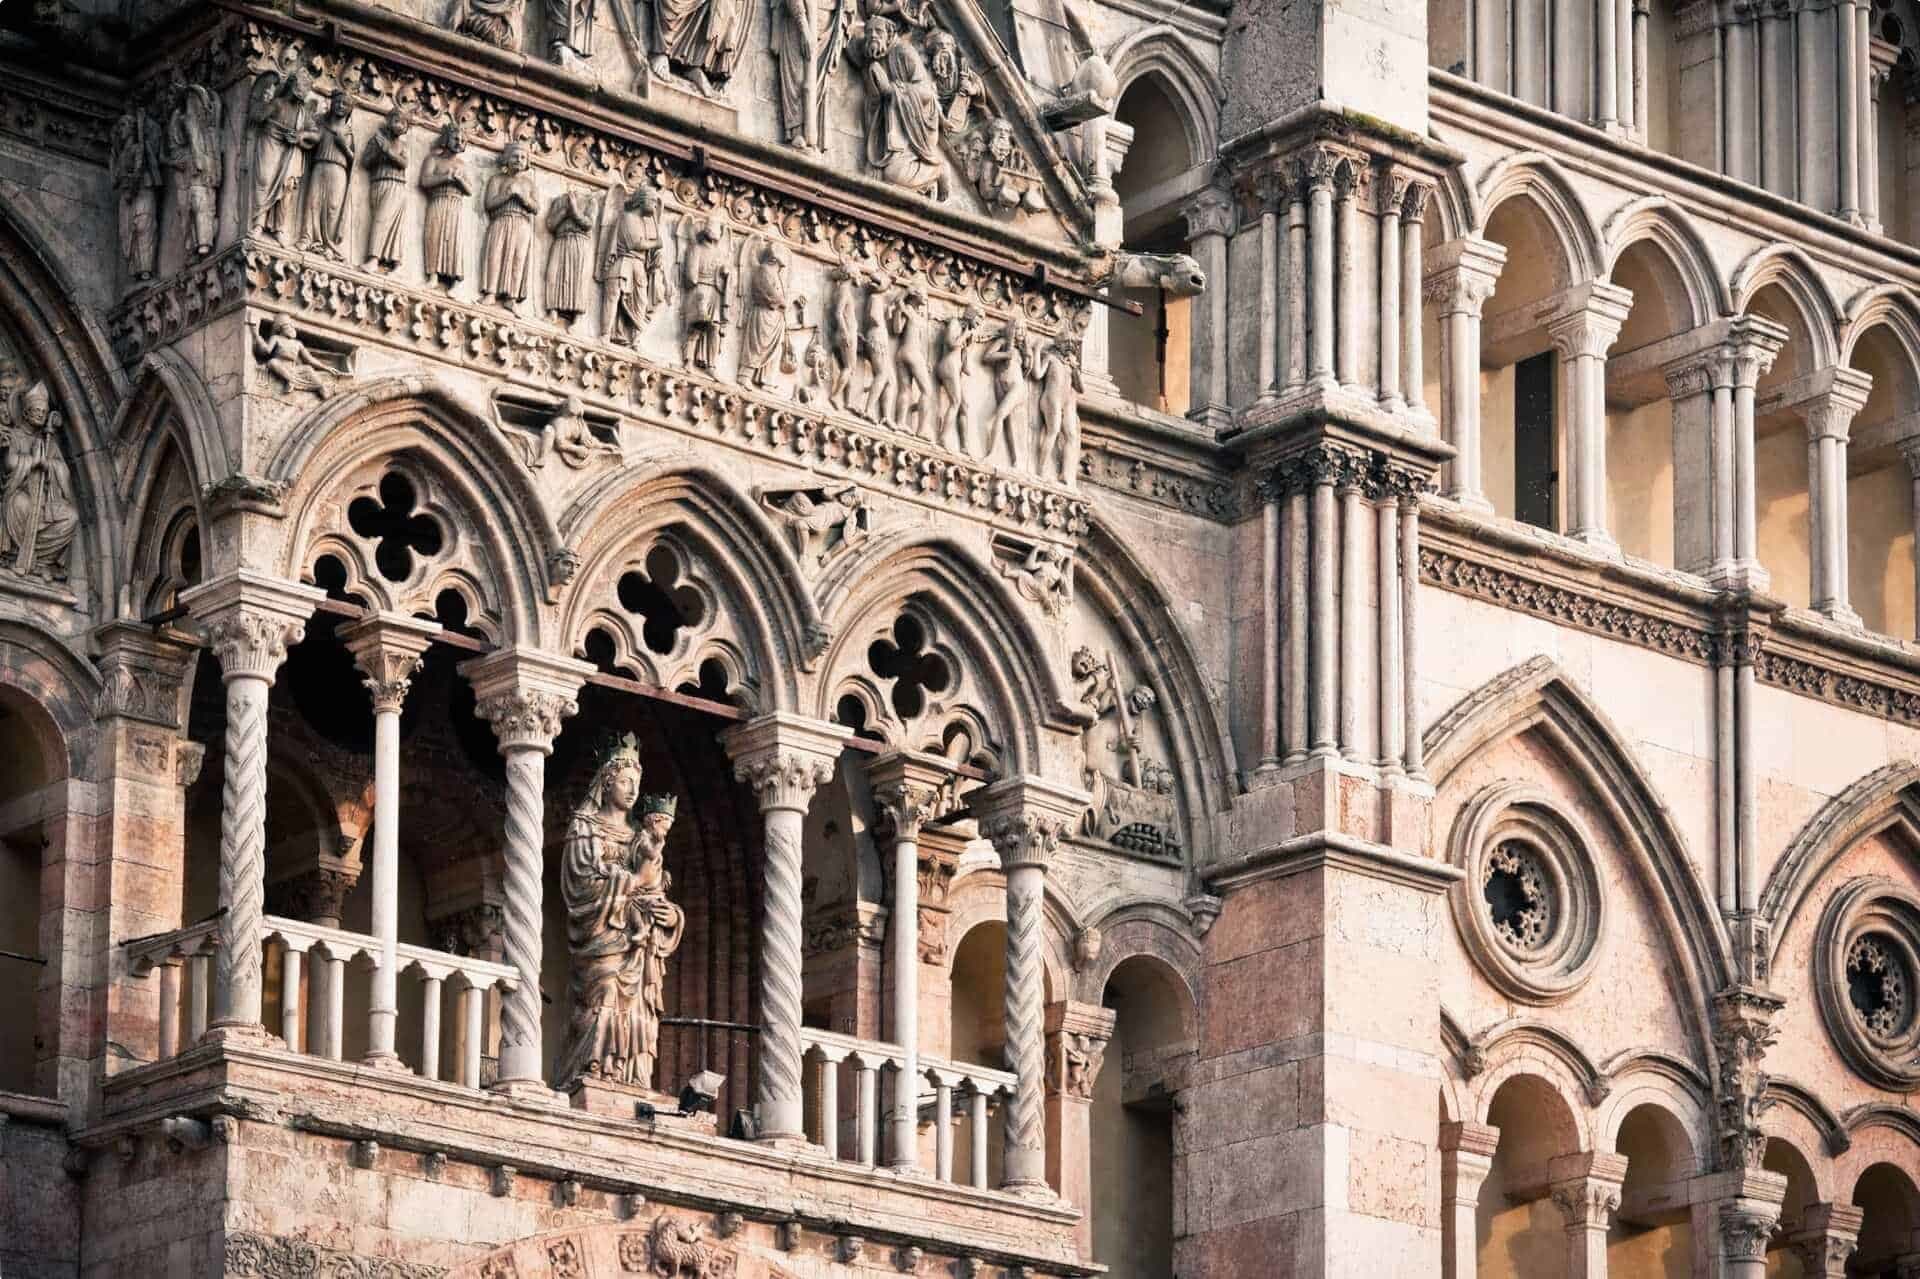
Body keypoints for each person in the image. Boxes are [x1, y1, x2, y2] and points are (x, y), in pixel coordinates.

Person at [554, 737, 686, 1091]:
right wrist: (634, 883)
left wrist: (669, 916)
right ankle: (596, 1071)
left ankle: (630, 1078)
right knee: (605, 991)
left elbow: (655, 888)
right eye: (626, 781)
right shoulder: (585, 826)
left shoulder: (638, 836)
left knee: (637, 1009)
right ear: (607, 780)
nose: (632, 790)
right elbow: (582, 886)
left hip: (637, 947)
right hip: (603, 935)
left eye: (637, 784)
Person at [361, 105, 415, 273]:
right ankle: (395, 263)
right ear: (389, 121)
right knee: (383, 220)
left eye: (403, 123)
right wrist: (378, 151)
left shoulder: (403, 146)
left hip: (395, 185)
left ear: (407, 128)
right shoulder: (376, 140)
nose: (399, 125)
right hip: (378, 183)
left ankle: (373, 259)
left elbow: (403, 163)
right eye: (396, 121)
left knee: (381, 220)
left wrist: (387, 150)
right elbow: (366, 162)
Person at [420, 123, 473, 291]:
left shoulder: (462, 166)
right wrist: (446, 177)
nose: (459, 142)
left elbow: (469, 190)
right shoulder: (433, 159)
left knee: (454, 240)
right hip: (438, 201)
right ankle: (433, 276)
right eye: (456, 138)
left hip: (455, 205)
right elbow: (425, 181)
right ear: (446, 138)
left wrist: (459, 180)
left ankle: (455, 280)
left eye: (463, 140)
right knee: (434, 236)